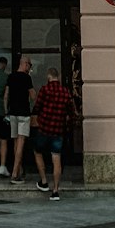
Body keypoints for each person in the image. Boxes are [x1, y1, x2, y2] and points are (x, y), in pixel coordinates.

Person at [31, 66, 73, 200]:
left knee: (37, 152)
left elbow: (37, 107)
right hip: (58, 131)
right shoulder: (65, 91)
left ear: (48, 77)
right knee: (56, 159)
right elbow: (71, 110)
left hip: (44, 129)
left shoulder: (45, 90)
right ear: (58, 77)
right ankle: (55, 191)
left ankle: (43, 181)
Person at [3, 54, 35, 182]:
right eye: (30, 65)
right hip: (24, 113)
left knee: (16, 141)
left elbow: (6, 95)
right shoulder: (27, 78)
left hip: (13, 113)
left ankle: (20, 169)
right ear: (25, 64)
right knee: (21, 142)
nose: (30, 67)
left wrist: (6, 111)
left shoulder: (10, 77)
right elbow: (33, 96)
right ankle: (15, 173)